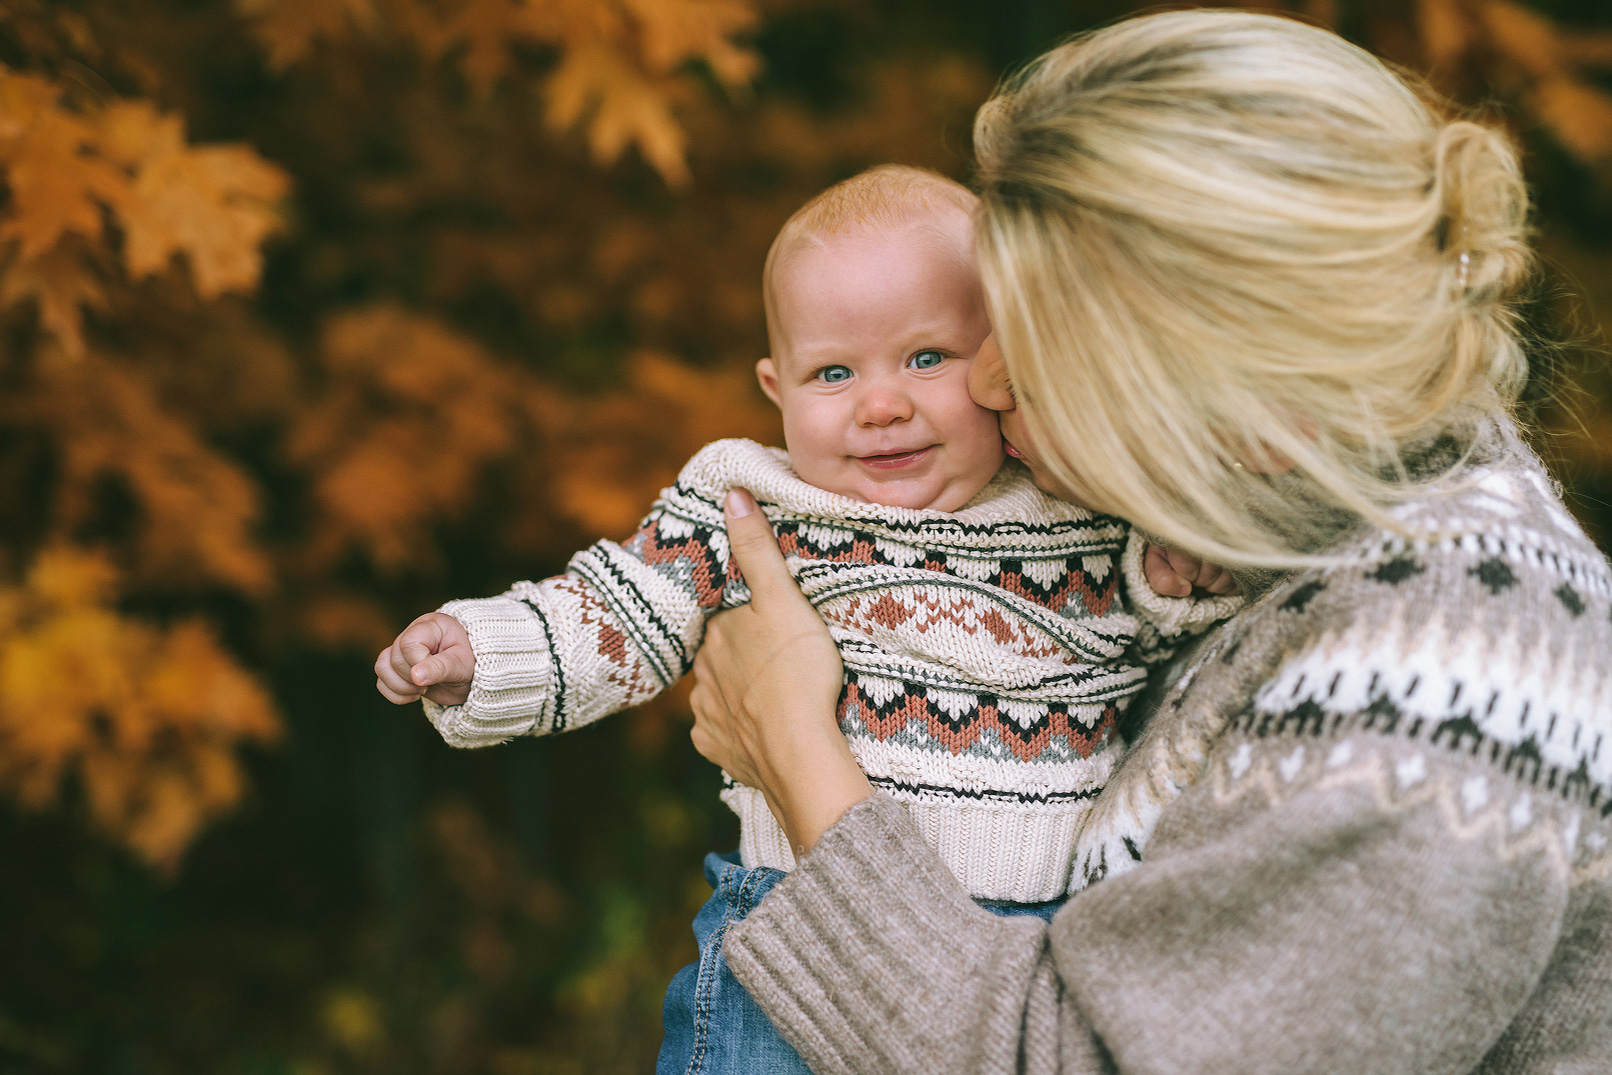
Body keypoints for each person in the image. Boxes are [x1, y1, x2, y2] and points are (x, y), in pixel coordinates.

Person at [685, 11, 1612, 1075]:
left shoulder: (1442, 691)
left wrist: (800, 754)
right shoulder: (1266, 538)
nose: (981, 389)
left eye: (1032, 359)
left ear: (1220, 382)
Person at [373, 165, 1238, 1073]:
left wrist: (1177, 575)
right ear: (775, 388)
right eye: (833, 372)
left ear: (1000, 363)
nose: (881, 403)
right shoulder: (758, 503)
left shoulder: (1078, 510)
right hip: (789, 933)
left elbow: (1152, 635)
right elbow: (621, 611)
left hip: (1035, 946)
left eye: (927, 358)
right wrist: (485, 651)